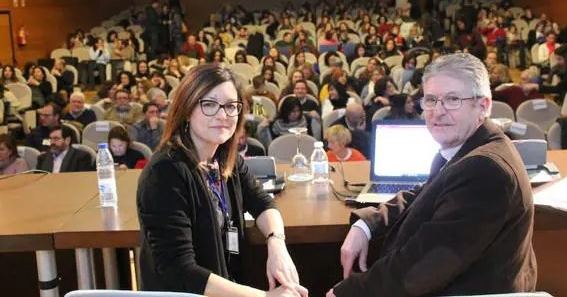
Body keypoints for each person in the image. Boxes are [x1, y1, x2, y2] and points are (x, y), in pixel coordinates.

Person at [331, 53, 536, 297]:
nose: (437, 112)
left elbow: (420, 270)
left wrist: (347, 293)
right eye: (431, 100)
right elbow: (424, 193)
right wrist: (366, 224)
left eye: (452, 99)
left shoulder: (485, 170)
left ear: (483, 106)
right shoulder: (467, 147)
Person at [137, 64, 306, 296]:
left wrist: (276, 242)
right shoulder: (164, 172)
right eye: (208, 104)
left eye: (230, 106)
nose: (222, 115)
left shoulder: (224, 159)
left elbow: (262, 202)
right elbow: (179, 270)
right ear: (186, 110)